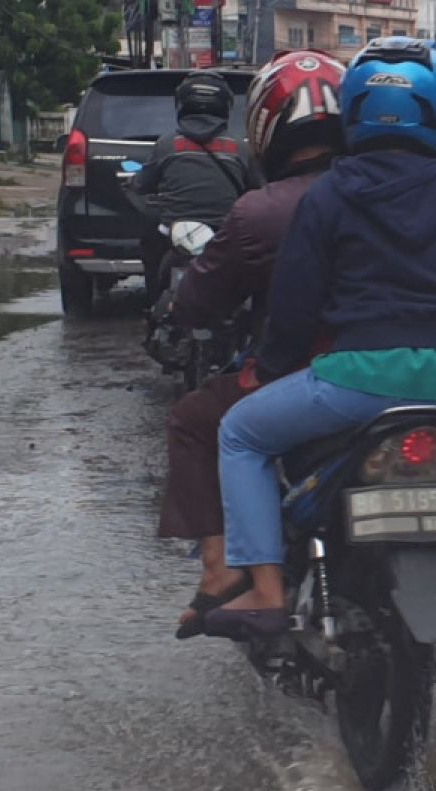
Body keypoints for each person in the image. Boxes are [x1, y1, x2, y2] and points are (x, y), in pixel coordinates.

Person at [201, 37, 436, 640]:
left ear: (354, 110)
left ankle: (264, 591)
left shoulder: (331, 191)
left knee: (239, 435)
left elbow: (295, 301)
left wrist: (269, 365)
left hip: (356, 382)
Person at [158, 51, 348, 639]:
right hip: (411, 369)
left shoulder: (262, 210)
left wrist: (174, 309)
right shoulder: (389, 193)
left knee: (199, 421)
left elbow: (202, 300)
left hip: (310, 377)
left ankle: (225, 574)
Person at [133, 71, 253, 303]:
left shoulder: (167, 144)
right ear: (225, 105)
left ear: (182, 104)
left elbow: (142, 184)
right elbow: (257, 188)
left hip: (173, 234)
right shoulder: (239, 147)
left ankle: (152, 302)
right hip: (225, 236)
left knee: (149, 241)